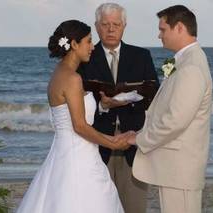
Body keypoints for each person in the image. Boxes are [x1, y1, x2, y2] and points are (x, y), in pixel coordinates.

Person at [17, 20, 128, 213]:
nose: (93, 47)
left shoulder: (59, 73)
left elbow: (71, 124)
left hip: (64, 153)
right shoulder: (72, 79)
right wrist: (113, 144)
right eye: (88, 41)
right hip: (78, 158)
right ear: (74, 44)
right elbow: (79, 126)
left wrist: (111, 137)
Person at [125, 5, 213, 213]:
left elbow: (175, 121)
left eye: (163, 29)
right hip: (175, 168)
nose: (159, 35)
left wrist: (138, 139)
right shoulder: (182, 61)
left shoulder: (191, 67)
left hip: (180, 170)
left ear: (180, 27)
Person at [78, 3, 159, 213]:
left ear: (124, 26)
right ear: (96, 27)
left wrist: (131, 99)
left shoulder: (141, 56)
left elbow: (155, 95)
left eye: (116, 24)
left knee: (134, 206)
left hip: (133, 143)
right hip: (97, 145)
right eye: (105, 24)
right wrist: (103, 107)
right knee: (99, 206)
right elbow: (76, 103)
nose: (111, 29)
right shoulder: (84, 59)